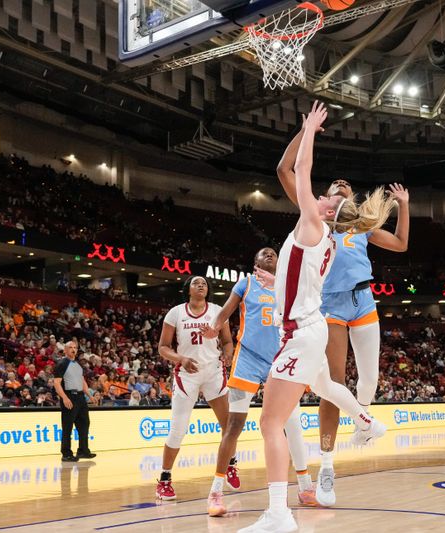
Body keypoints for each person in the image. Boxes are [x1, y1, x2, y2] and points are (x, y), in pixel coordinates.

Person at [239, 101, 393, 533]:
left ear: (326, 210)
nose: (323, 195)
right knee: (326, 385)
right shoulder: (323, 232)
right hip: (312, 328)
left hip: (302, 335)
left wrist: (308, 130)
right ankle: (368, 420)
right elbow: (291, 173)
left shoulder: (312, 224)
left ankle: (278, 514)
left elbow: (300, 169)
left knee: (271, 422)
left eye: (328, 198)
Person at [277, 117, 410, 507]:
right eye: (335, 186)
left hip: (363, 301)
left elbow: (401, 245)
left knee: (368, 383)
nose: (341, 186)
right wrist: (304, 133)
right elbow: (286, 171)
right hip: (330, 306)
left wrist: (403, 206)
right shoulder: (314, 216)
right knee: (333, 387)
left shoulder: (362, 228)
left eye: (346, 186)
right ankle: (328, 467)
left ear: (348, 200)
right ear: (325, 197)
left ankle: (364, 420)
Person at [200, 248, 317, 517]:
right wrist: (214, 328)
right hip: (249, 358)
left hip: (280, 359)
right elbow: (227, 311)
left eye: (273, 254)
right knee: (234, 425)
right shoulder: (246, 283)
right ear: (255, 262)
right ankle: (215, 493)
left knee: (293, 425)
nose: (269, 255)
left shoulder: (286, 286)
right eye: (263, 254)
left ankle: (304, 486)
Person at [155, 276, 235, 500]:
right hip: (186, 374)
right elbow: (163, 347)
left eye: (204, 283)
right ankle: (164, 479)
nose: (201, 285)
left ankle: (230, 464)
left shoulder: (218, 311)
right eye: (195, 283)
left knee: (228, 424)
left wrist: (228, 355)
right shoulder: (176, 313)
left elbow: (228, 342)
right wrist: (181, 358)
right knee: (178, 429)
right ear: (187, 290)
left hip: (213, 371)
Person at [53, 341, 95, 462]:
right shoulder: (62, 364)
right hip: (69, 396)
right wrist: (64, 398)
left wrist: (89, 395)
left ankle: (83, 450)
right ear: (65, 350)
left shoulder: (78, 365)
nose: (73, 349)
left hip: (81, 397)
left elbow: (82, 382)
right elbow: (56, 383)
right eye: (70, 347)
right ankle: (66, 453)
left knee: (84, 424)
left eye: (75, 347)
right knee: (67, 426)